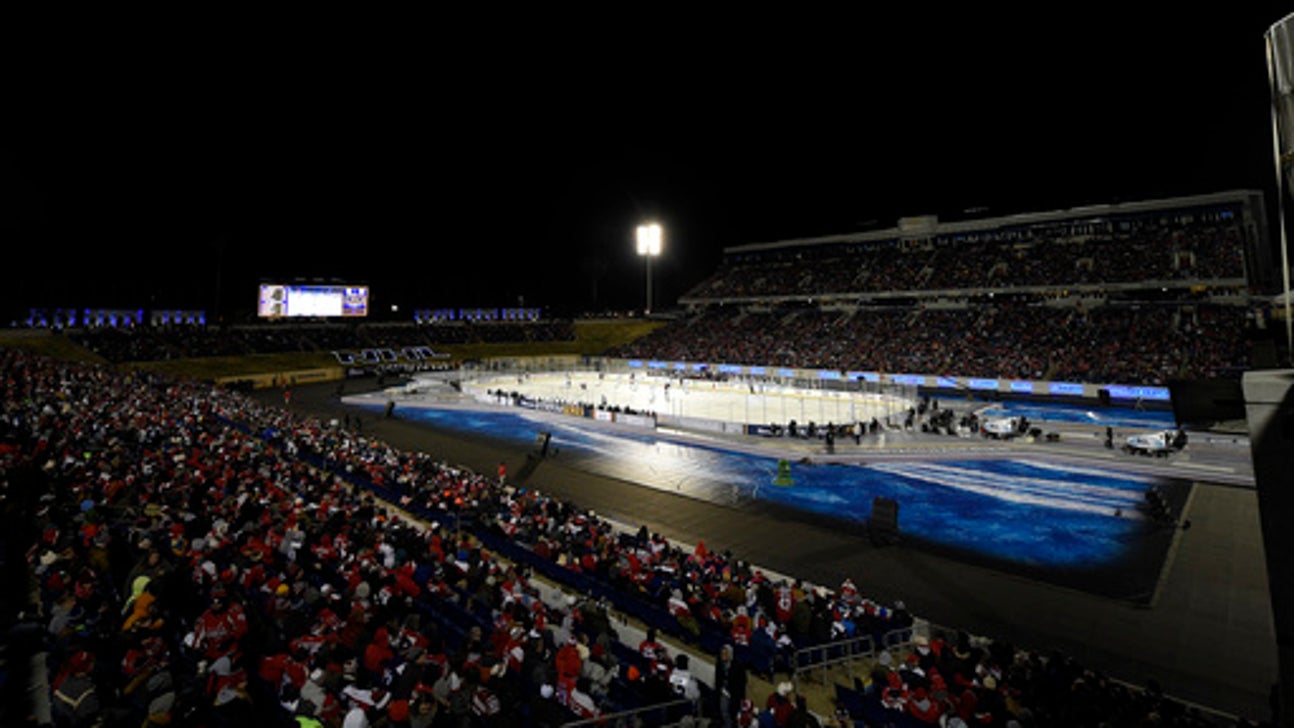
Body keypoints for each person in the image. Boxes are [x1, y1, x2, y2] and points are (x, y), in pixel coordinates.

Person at [714, 643, 748, 728]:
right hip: (723, 692)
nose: (723, 656)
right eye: (722, 654)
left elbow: (742, 681)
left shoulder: (738, 666)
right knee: (724, 711)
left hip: (735, 694)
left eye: (725, 654)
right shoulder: (719, 664)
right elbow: (718, 679)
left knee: (734, 713)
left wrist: (740, 696)